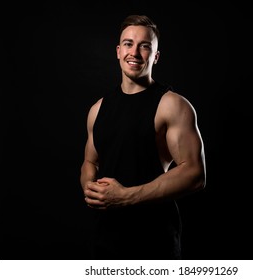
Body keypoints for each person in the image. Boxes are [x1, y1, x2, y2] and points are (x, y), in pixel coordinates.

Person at [80, 14, 206, 260]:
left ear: (155, 56)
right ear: (118, 51)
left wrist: (126, 196)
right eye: (128, 43)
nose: (134, 52)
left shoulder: (172, 105)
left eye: (145, 46)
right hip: (105, 240)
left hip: (153, 242)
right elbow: (90, 161)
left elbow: (195, 173)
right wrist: (89, 187)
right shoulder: (98, 108)